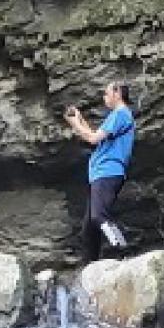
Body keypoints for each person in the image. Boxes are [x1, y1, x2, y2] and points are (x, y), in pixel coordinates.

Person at [62, 81, 138, 256]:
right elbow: (97, 136)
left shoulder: (120, 114)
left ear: (117, 93)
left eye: (106, 93)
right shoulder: (117, 116)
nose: (104, 97)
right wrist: (80, 119)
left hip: (108, 171)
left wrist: (74, 124)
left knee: (98, 216)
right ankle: (92, 266)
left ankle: (122, 249)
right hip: (100, 173)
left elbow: (93, 139)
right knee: (88, 228)